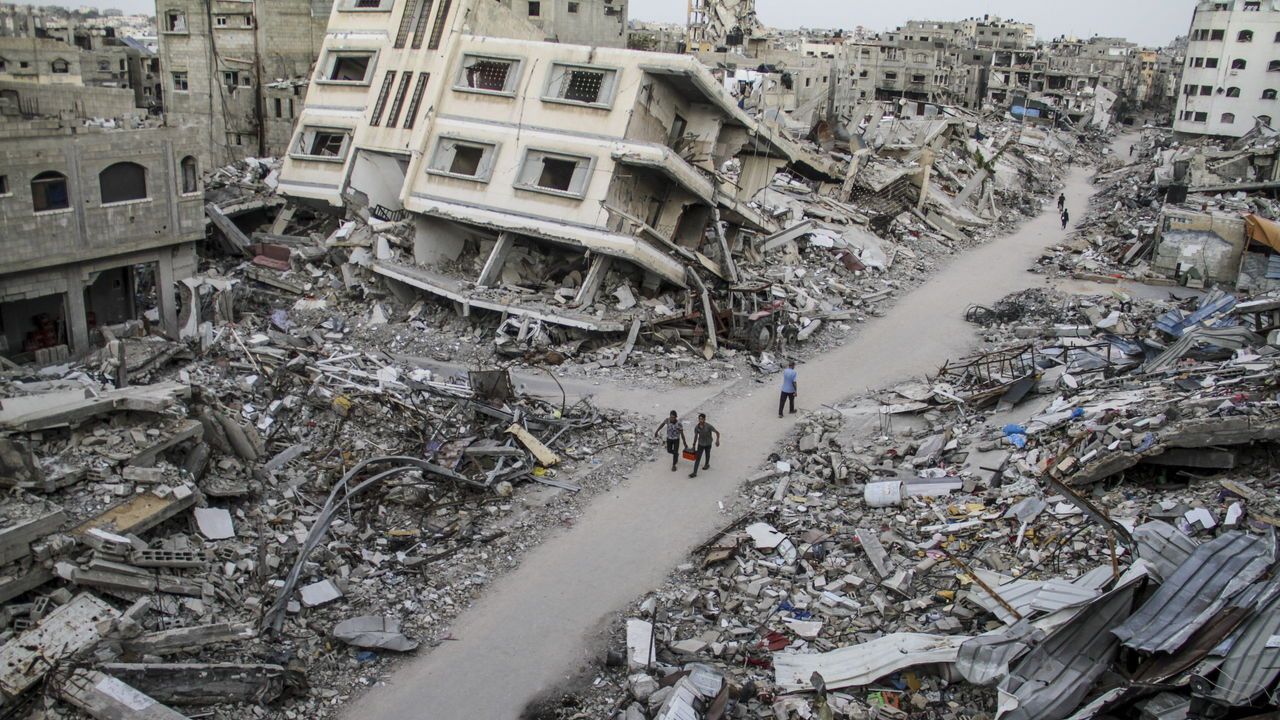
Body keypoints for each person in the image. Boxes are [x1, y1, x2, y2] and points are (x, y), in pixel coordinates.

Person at [687, 414, 720, 478]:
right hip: (701, 444)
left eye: (702, 419)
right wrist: (694, 444)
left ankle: (707, 464)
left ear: (704, 419)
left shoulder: (708, 426)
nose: (700, 420)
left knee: (707, 454)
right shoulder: (697, 427)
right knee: (698, 458)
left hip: (708, 443)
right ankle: (694, 472)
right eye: (699, 419)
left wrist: (717, 440)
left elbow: (717, 432)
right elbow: (696, 436)